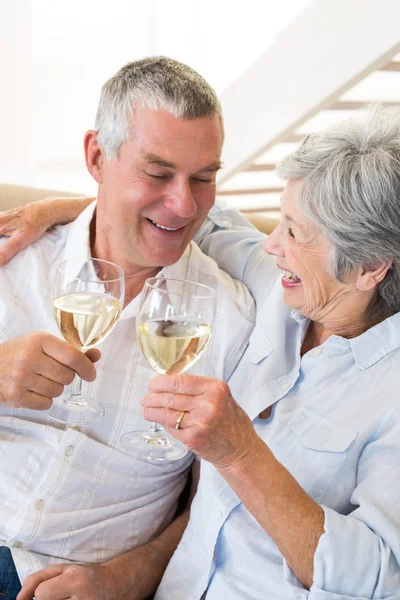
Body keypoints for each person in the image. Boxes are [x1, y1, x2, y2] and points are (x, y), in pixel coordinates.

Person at [10, 105, 400, 599]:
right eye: (279, 221)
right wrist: (59, 209)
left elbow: (381, 578)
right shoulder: (277, 285)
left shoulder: (391, 394)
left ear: (369, 267)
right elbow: (190, 212)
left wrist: (240, 454)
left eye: (295, 232)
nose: (271, 245)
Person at [0, 57, 256, 600]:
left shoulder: (232, 319)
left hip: (65, 580)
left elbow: (214, 503)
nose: (185, 204)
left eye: (204, 177)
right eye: (158, 173)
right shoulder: (14, 259)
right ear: (97, 156)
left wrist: (126, 577)